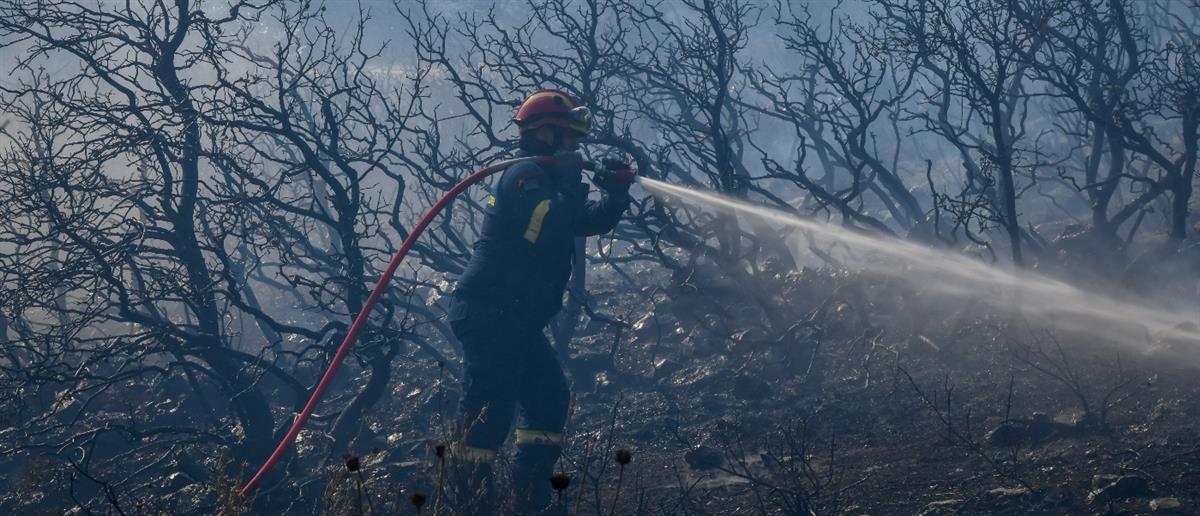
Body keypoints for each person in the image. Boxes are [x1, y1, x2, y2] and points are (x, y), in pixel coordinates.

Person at [448, 89, 634, 514]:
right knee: (489, 415)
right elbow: (548, 227)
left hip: (516, 321)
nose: (576, 149)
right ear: (546, 134)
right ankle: (470, 504)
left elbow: (582, 220)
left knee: (549, 399)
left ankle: (529, 499)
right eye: (570, 139)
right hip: (489, 314)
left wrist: (615, 195)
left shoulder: (549, 181)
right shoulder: (524, 177)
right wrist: (568, 180)